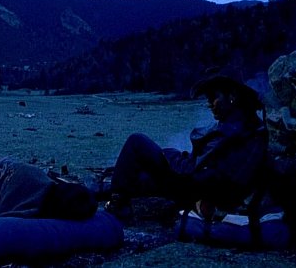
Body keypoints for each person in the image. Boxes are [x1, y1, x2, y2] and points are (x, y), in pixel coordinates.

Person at [104, 75, 268, 222]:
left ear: (232, 97)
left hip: (195, 188)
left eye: (213, 97)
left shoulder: (230, 131)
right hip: (213, 189)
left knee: (137, 141)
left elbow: (192, 170)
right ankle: (109, 193)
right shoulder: (251, 126)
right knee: (141, 178)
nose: (210, 104)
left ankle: (117, 205)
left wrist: (170, 155)